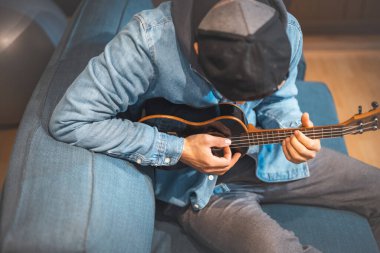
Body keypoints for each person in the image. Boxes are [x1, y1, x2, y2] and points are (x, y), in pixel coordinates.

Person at [49, 0, 380, 252]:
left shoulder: (287, 30)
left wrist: (292, 130)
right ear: (197, 51)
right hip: (199, 190)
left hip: (266, 155)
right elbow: (70, 119)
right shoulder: (148, 42)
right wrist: (180, 148)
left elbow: (281, 100)